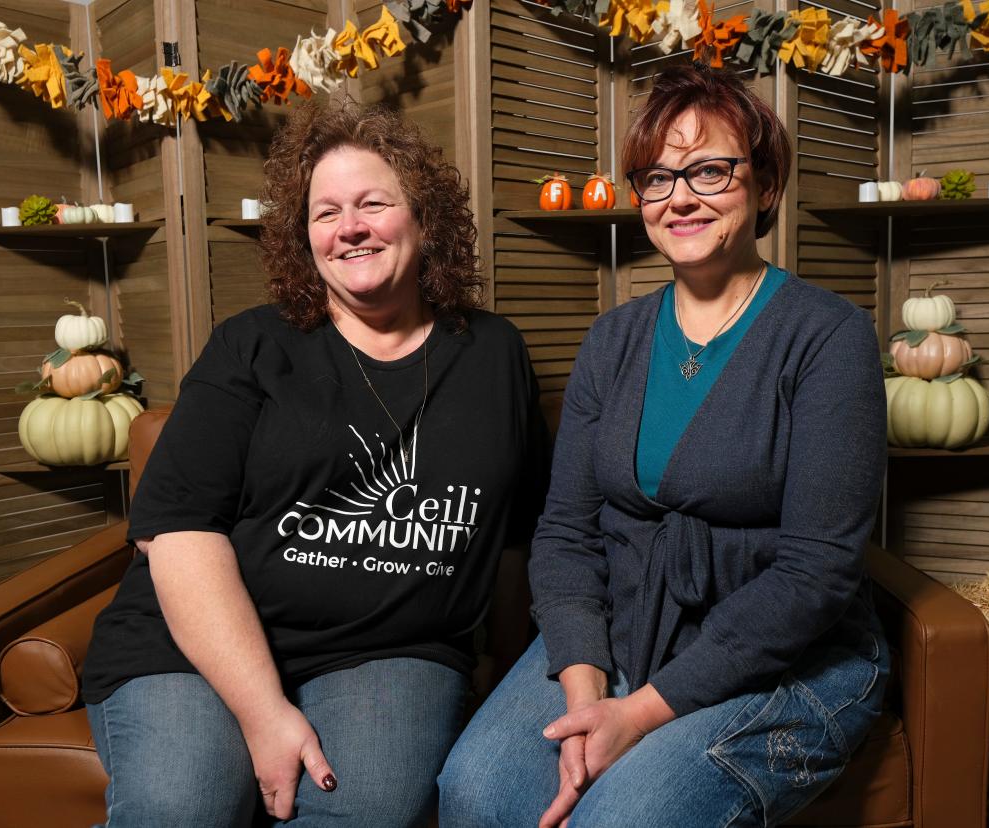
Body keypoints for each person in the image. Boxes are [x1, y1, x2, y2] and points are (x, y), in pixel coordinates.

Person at [438, 62, 889, 828]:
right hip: (621, 632)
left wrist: (640, 713)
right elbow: (566, 534)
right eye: (656, 177)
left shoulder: (828, 337)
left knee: (621, 819)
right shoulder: (612, 339)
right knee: (473, 792)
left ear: (766, 183)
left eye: (709, 170)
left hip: (785, 656)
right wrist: (586, 692)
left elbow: (817, 574)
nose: (679, 197)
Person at [81, 101, 547, 827]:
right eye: (326, 212)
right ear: (306, 238)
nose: (349, 227)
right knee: (183, 806)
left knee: (367, 812)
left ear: (425, 220)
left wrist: (506, 675)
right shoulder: (251, 346)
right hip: (195, 649)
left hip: (392, 652)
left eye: (372, 204)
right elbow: (177, 532)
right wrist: (265, 712)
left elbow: (517, 537)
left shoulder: (494, 354)